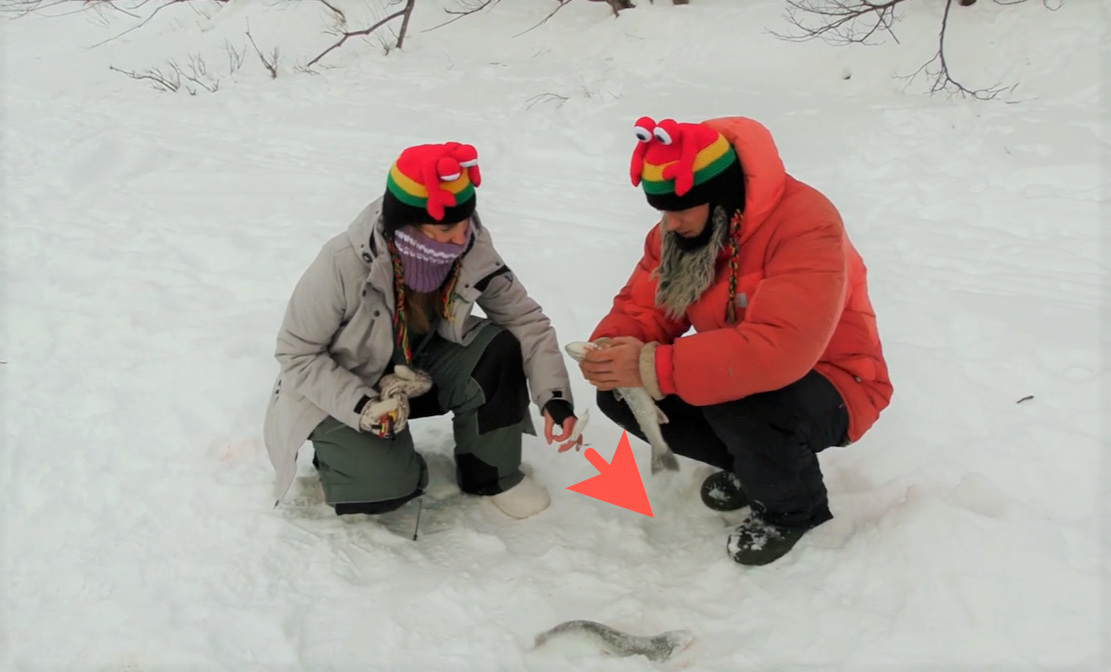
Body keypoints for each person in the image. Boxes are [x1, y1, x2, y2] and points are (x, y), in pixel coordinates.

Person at [577, 116, 892, 565]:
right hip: (740, 366)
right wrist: (612, 350)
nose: (671, 222)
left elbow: (781, 349)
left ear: (721, 196)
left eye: (682, 208)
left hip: (838, 380)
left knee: (739, 401)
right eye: (663, 210)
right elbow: (644, 308)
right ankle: (755, 467)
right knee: (623, 395)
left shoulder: (805, 223)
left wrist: (652, 364)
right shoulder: (680, 232)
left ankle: (790, 509)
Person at [264, 141, 580, 521]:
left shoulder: (471, 246)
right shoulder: (342, 262)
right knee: (385, 488)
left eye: (466, 221)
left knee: (500, 347)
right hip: (349, 383)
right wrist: (363, 407)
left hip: (419, 363)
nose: (461, 236)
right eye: (446, 227)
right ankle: (340, 460)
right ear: (408, 224)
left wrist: (555, 397)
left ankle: (491, 474)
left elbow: (525, 321)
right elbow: (296, 354)